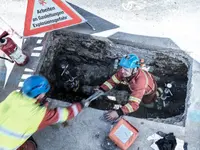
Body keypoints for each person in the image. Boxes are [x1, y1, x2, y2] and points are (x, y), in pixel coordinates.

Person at [0, 75, 83, 150]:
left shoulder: (13, 95)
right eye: (44, 93)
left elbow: (22, 108)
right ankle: (22, 147)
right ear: (39, 95)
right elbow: (63, 115)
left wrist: (38, 104)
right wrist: (80, 106)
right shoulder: (39, 114)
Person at [98, 54, 157, 121]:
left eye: (125, 70)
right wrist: (102, 89)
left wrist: (118, 112)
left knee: (147, 101)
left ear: (134, 69)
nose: (122, 71)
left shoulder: (140, 83)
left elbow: (134, 105)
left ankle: (154, 98)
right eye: (122, 68)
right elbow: (113, 80)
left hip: (149, 90)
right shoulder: (126, 71)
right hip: (135, 85)